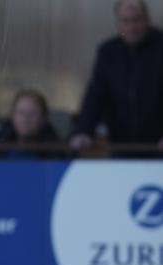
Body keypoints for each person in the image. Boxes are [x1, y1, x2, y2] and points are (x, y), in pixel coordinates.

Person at [70, 0, 163, 154]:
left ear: (147, 19)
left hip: (158, 147)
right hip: (120, 146)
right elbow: (96, 94)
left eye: (137, 20)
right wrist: (84, 131)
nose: (132, 27)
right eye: (125, 21)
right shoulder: (108, 52)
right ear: (118, 24)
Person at [0, 90, 61, 159]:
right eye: (21, 112)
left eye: (32, 113)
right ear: (13, 116)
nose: (26, 119)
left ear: (43, 118)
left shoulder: (56, 149)